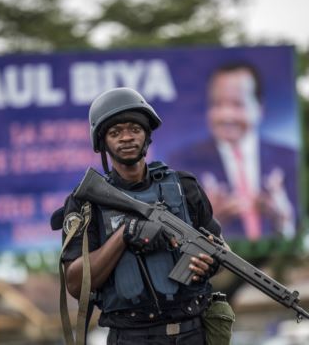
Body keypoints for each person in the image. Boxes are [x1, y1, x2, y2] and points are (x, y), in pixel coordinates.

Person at [59, 88, 228, 344]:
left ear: (147, 136)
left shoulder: (185, 187)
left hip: (193, 331)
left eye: (134, 129)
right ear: (103, 142)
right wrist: (125, 235)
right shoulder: (86, 203)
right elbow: (74, 284)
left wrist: (210, 263)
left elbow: (219, 246)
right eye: (115, 133)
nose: (126, 137)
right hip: (132, 336)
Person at [168, 62, 297, 241]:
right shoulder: (180, 163)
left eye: (237, 104)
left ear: (259, 108)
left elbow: (299, 232)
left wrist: (283, 221)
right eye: (217, 104)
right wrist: (206, 223)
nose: (226, 115)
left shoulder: (289, 159)